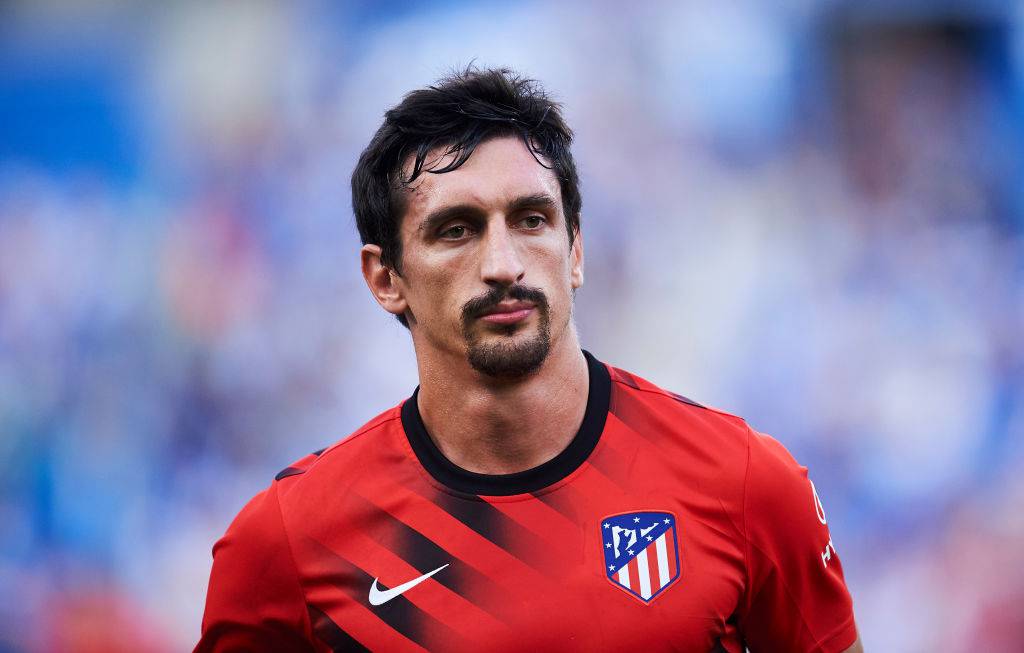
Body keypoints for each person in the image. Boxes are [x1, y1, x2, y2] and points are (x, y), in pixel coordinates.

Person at [196, 67, 862, 653]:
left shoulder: (744, 484)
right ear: (385, 277)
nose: (503, 264)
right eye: (456, 230)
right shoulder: (288, 542)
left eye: (532, 219)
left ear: (575, 250)